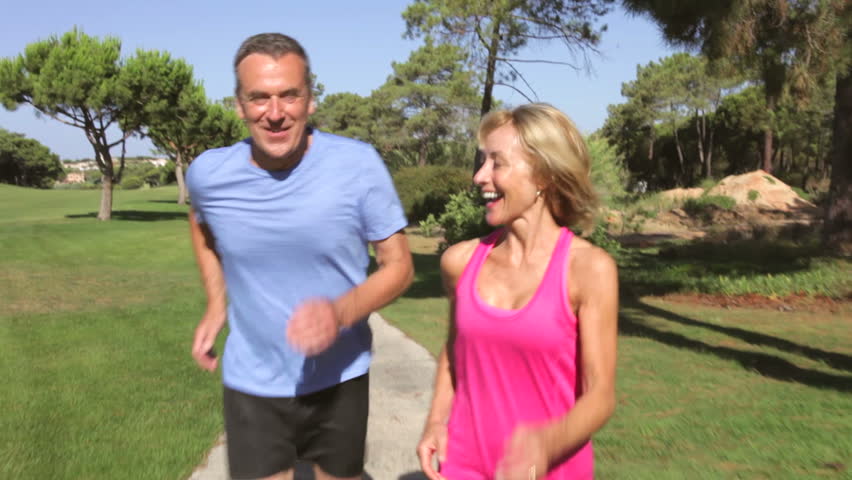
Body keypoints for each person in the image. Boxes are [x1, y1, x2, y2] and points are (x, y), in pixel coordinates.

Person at [185, 33, 413, 480]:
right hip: (252, 380)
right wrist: (216, 303)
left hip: (340, 377)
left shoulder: (358, 166)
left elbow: (400, 267)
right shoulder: (208, 174)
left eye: (289, 95)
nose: (275, 113)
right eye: (259, 98)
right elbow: (200, 223)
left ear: (310, 99)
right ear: (238, 104)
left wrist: (340, 312)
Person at [416, 103, 618, 480]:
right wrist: (436, 420)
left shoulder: (589, 270)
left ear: (543, 175)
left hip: (549, 470)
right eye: (482, 162)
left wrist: (544, 444)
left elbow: (600, 395)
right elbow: (454, 351)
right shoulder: (460, 262)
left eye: (497, 163)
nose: (479, 176)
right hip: (464, 465)